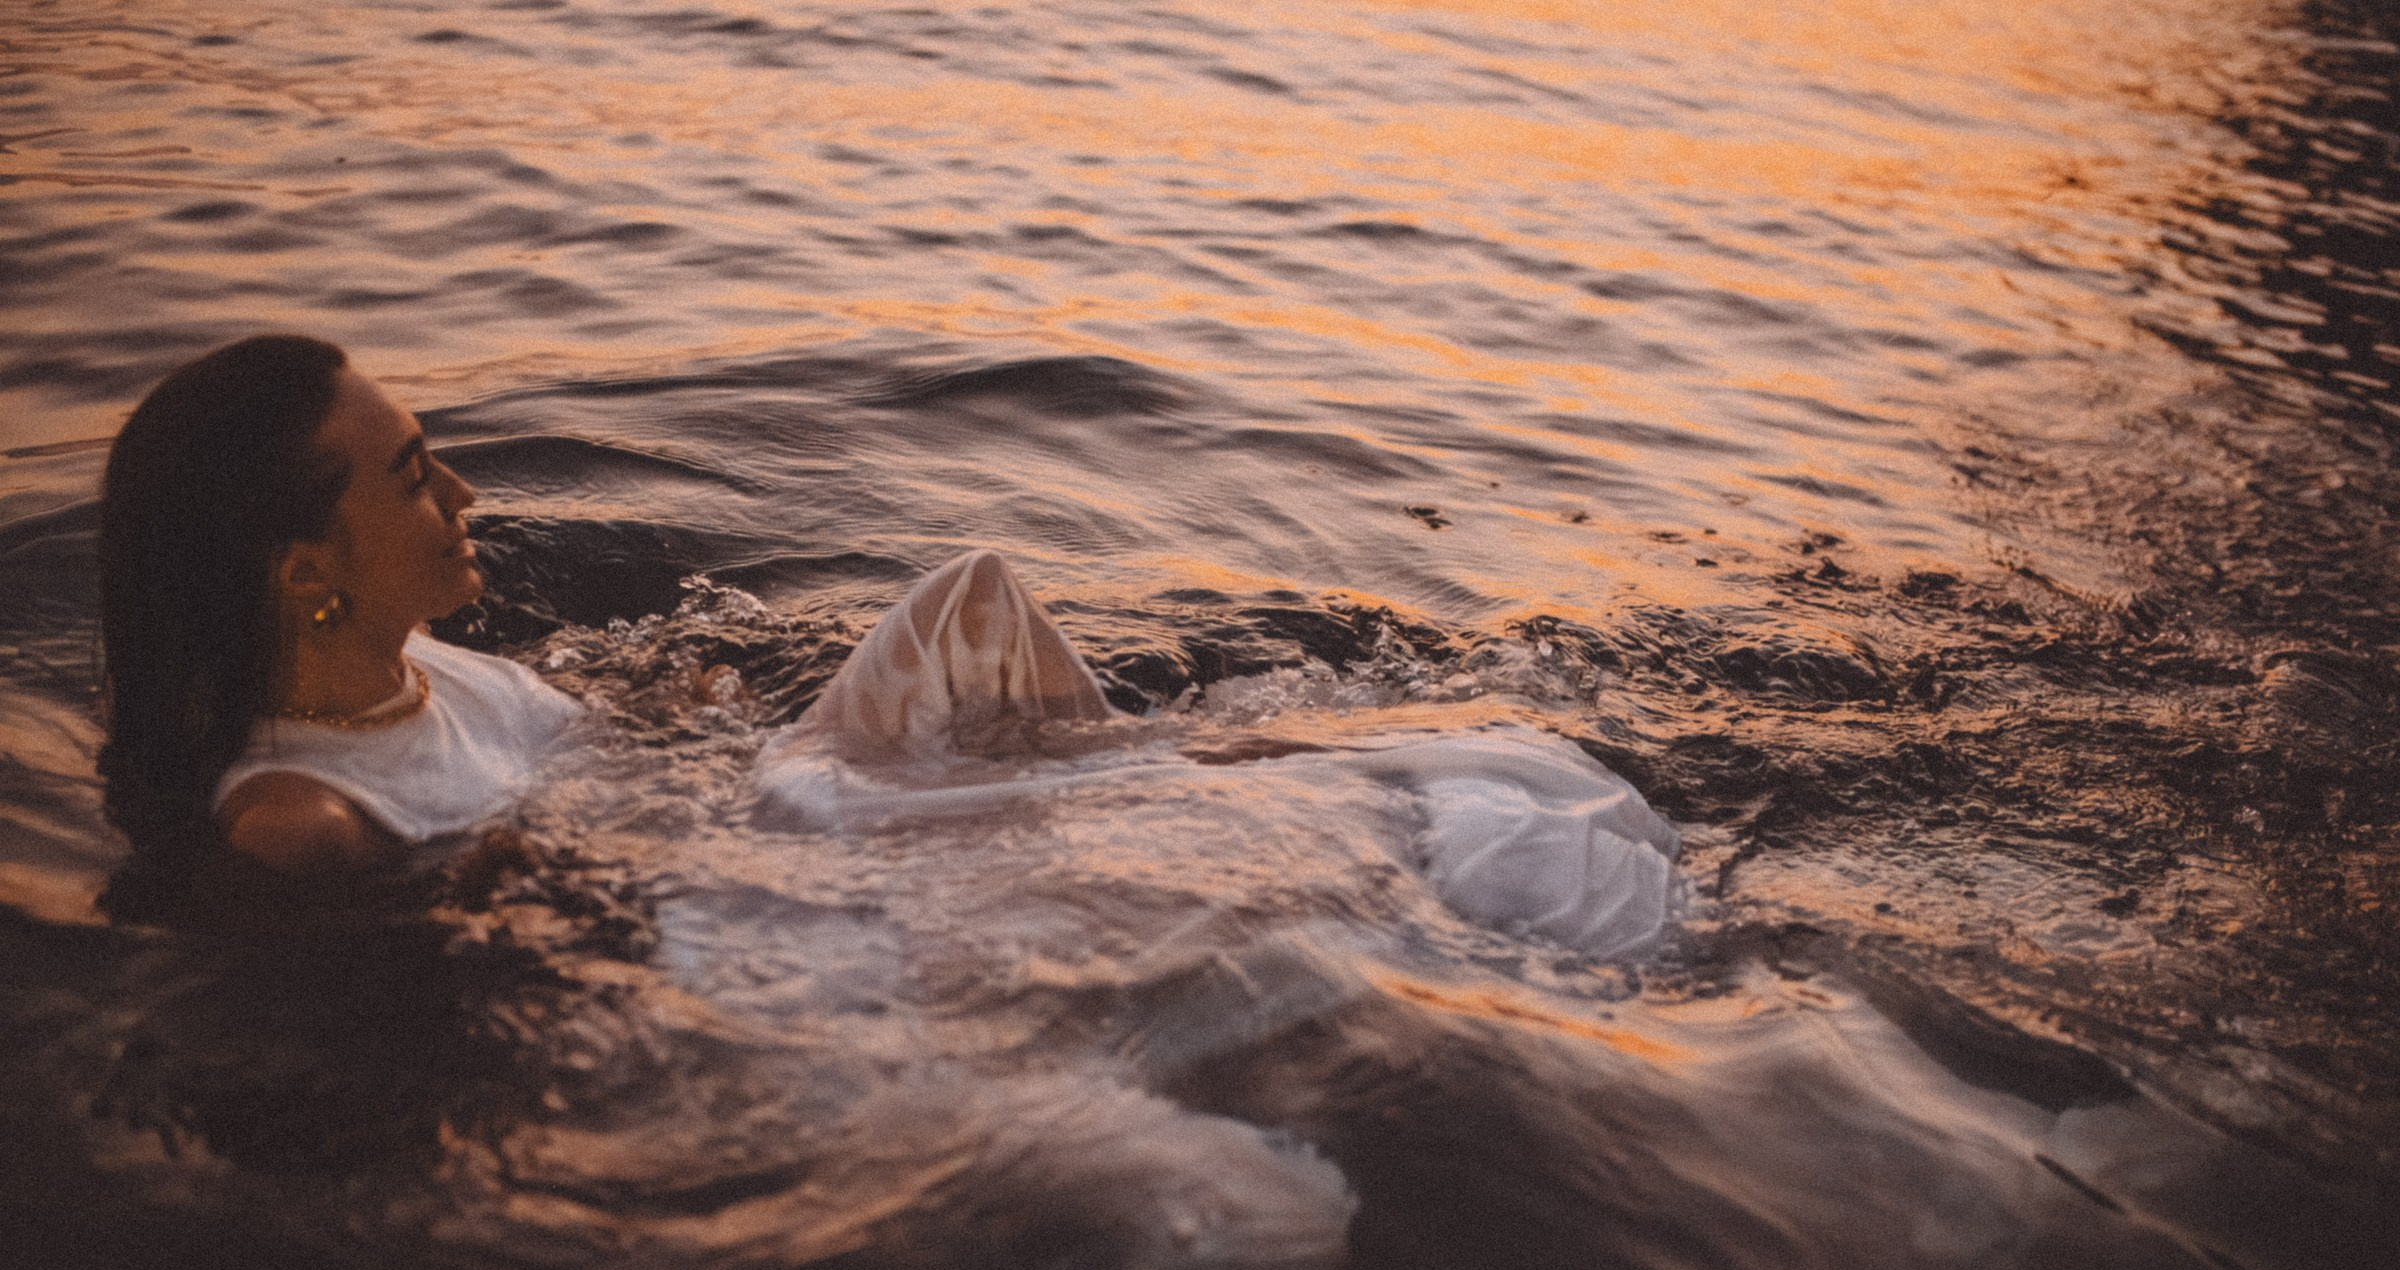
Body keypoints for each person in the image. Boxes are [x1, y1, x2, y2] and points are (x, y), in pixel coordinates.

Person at [99, 336, 1677, 955]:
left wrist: (686, 716)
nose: (464, 493)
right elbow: (527, 941)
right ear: (309, 569)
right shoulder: (296, 820)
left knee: (973, 601)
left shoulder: (438, 675)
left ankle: (1186, 769)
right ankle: (1199, 788)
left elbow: (583, 782)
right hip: (744, 920)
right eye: (411, 473)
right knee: (1337, 819)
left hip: (748, 835)